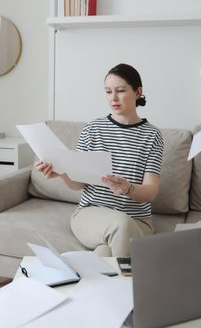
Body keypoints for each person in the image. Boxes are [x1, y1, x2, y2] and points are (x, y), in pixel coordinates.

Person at [36, 63, 164, 257]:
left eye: (120, 91)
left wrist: (128, 188)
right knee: (120, 224)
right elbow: (79, 184)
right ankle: (130, 284)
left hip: (137, 220)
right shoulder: (92, 129)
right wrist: (61, 172)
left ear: (138, 92)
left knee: (104, 253)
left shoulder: (152, 136)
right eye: (108, 91)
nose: (113, 98)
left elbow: (150, 192)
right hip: (90, 215)